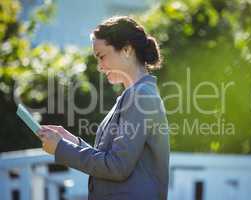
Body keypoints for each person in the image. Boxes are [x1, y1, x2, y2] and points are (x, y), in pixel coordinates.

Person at [38, 16, 170, 200]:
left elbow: (117, 167)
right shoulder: (131, 96)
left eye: (102, 56)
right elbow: (111, 158)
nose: (99, 66)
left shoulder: (141, 96)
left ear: (126, 49)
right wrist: (71, 143)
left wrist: (61, 149)